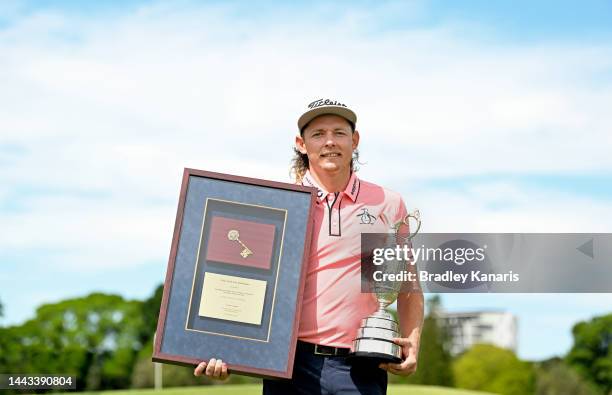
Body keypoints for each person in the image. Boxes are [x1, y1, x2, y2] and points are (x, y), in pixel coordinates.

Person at [195, 99, 424, 394]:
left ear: (354, 141)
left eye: (339, 133)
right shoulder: (276, 206)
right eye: (318, 134)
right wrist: (226, 349)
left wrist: (413, 342)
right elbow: (241, 278)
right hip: (290, 366)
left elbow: (409, 285)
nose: (329, 142)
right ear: (301, 144)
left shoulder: (389, 204)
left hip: (361, 366)